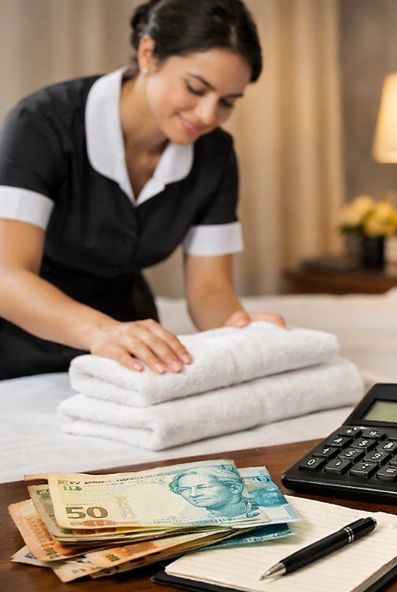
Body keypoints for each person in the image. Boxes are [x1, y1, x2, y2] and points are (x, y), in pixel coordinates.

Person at [0, 0, 284, 380]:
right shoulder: (43, 124)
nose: (207, 115)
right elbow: (7, 275)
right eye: (196, 88)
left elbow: (210, 290)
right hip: (19, 341)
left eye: (227, 103)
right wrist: (102, 331)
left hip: (126, 345)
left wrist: (238, 327)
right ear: (148, 53)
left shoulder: (214, 154)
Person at [168, 466, 259, 520]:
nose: (193, 494)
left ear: (235, 488)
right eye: (185, 489)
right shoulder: (187, 518)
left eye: (203, 487)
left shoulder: (260, 509)